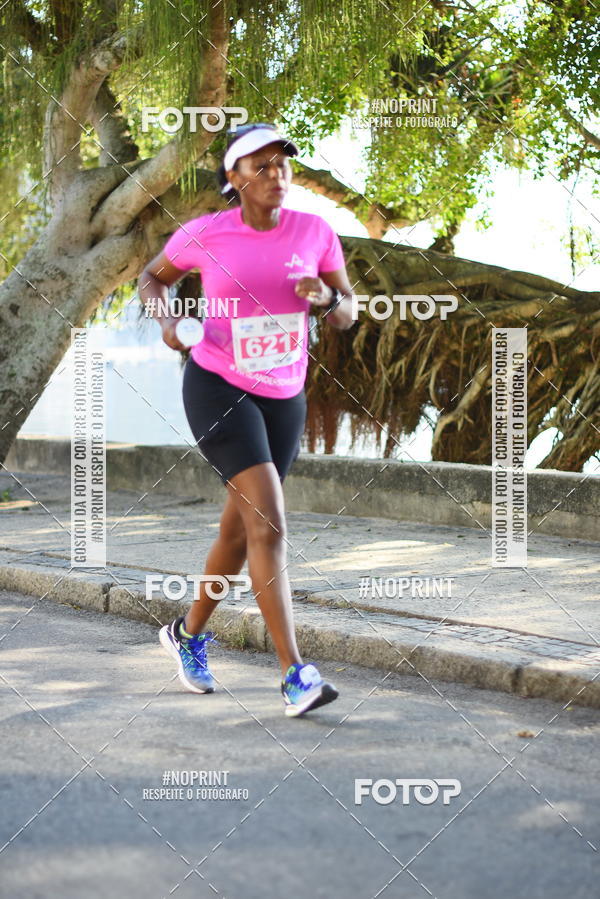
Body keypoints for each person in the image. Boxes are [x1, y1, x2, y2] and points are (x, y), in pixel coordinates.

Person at [138, 123, 355, 717]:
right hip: (217, 386)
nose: (274, 173)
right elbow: (152, 277)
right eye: (259, 165)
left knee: (240, 533)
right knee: (270, 523)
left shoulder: (315, 232)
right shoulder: (207, 232)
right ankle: (295, 675)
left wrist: (325, 299)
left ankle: (187, 633)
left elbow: (348, 312)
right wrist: (167, 322)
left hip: (284, 396)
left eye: (282, 163)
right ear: (233, 178)